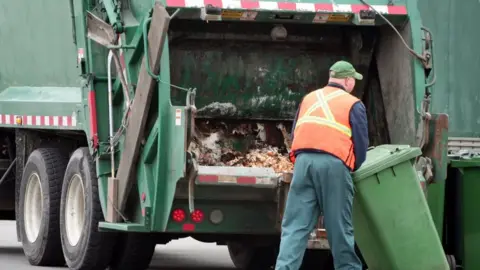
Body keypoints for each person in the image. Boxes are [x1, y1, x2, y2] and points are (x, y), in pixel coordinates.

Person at [275, 61, 369, 270]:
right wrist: (352, 166)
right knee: (339, 228)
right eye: (354, 79)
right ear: (347, 80)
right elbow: (361, 145)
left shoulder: (309, 99)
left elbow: (294, 132)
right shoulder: (353, 104)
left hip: (303, 163)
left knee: (295, 227)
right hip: (334, 166)